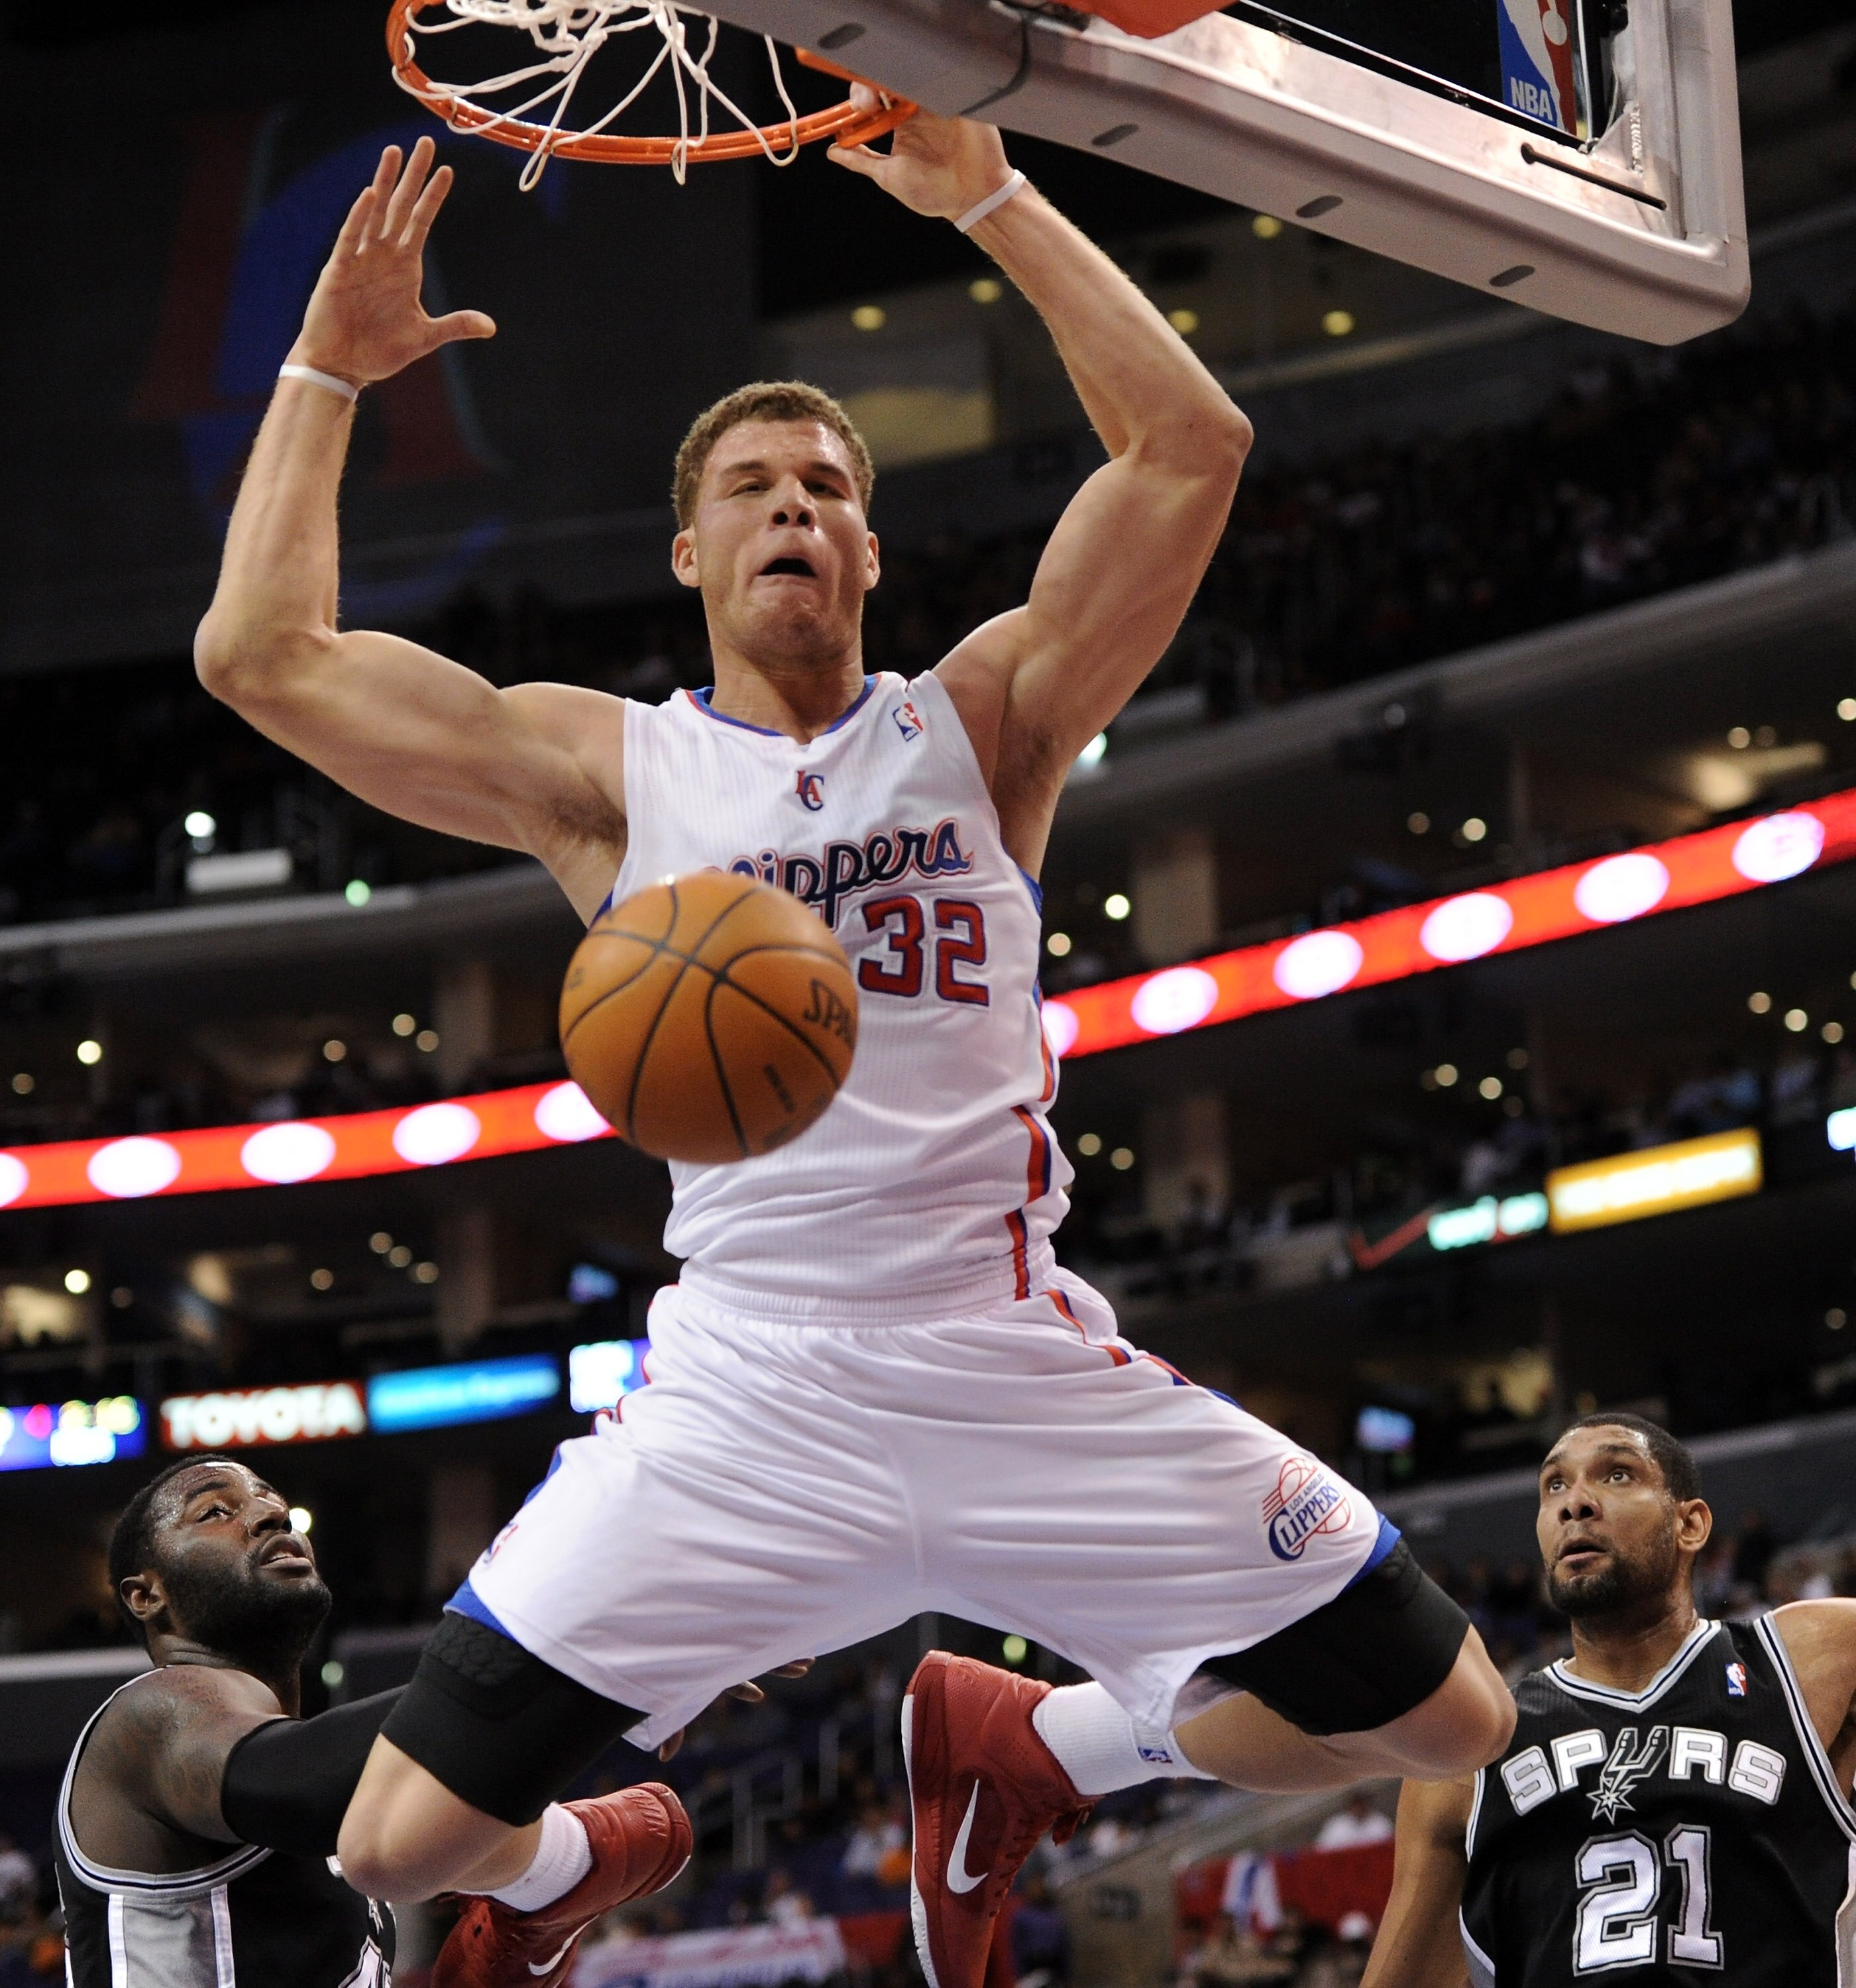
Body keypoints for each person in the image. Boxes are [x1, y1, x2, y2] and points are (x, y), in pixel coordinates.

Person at [193, 107, 1516, 1988]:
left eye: (824, 484)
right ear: (689, 551)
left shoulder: (986, 718)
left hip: (1005, 1355)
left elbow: (1191, 446)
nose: (793, 509)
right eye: (751, 488)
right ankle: (594, 1853)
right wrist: (326, 365)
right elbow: (261, 655)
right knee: (402, 1840)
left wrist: (994, 194)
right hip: (749, 1393)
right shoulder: (611, 771)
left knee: (1452, 1715)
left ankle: (1041, 1743)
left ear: (871, 547)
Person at [58, 1456, 694, 1988]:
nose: (270, 1514)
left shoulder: (349, 1826)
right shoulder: (147, 1719)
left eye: (271, 1500)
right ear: (147, 1595)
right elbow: (296, 1787)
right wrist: (592, 1668)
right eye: (215, 1511)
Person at [1362, 1413, 1856, 1986]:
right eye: (1554, 1486)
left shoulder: (1811, 1657)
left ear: (1690, 1524)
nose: (1574, 1504)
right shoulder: (1469, 1751)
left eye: (1617, 1475)